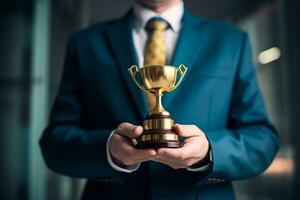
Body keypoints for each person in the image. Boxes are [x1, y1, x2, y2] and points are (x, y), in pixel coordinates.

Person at [39, 0, 280, 199]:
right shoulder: (85, 44)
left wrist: (208, 152)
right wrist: (108, 150)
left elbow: (262, 140)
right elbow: (55, 143)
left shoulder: (231, 41)